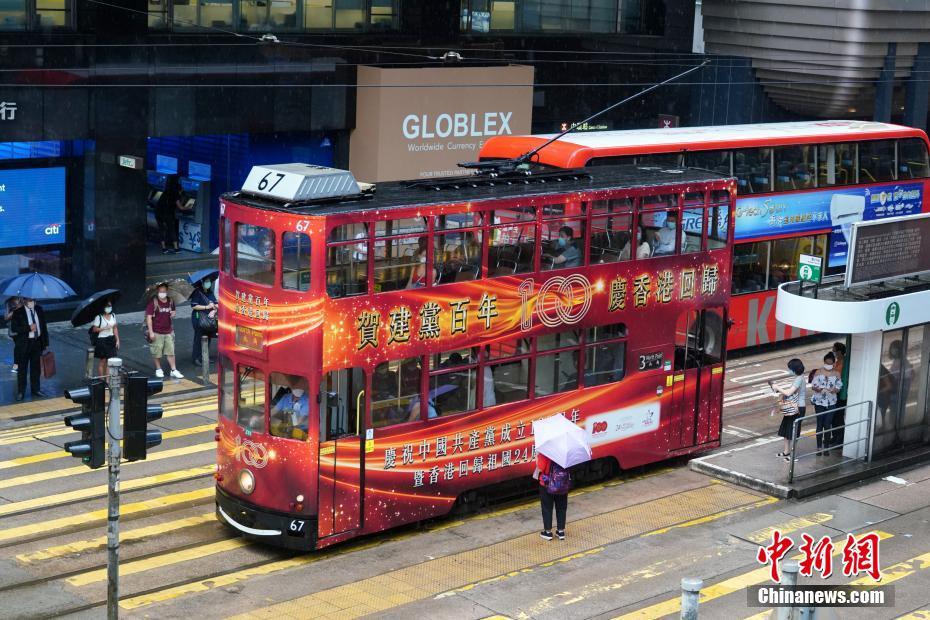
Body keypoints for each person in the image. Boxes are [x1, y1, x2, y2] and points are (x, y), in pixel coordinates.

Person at [10, 298, 49, 401]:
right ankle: (21, 392)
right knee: (22, 369)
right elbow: (14, 328)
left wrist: (45, 343)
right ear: (24, 300)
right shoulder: (18, 312)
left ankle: (36, 390)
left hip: (37, 343)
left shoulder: (39, 309)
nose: (32, 302)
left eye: (33, 300)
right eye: (30, 300)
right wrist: (28, 328)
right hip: (24, 344)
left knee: (36, 369)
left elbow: (44, 327)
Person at [145, 283, 183, 379]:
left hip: (168, 331)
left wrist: (173, 313)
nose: (162, 293)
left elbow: (173, 312)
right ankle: (158, 369)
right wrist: (151, 332)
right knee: (156, 352)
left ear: (167, 291)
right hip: (156, 331)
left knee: (171, 352)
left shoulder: (170, 301)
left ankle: (173, 370)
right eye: (161, 291)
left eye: (164, 291)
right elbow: (148, 318)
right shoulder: (153, 302)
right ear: (158, 292)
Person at [770, 358, 805, 462]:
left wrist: (777, 387)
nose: (789, 370)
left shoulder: (799, 379)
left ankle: (793, 455)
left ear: (794, 369)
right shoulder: (798, 378)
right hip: (792, 408)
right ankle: (786, 452)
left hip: (797, 408)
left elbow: (789, 393)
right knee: (786, 430)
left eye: (790, 369)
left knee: (793, 432)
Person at [810, 352, 843, 455]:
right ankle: (819, 448)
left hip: (831, 402)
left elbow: (839, 387)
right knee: (819, 424)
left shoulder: (837, 373)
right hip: (819, 402)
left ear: (833, 363)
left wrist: (834, 390)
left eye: (830, 363)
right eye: (826, 363)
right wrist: (818, 388)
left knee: (827, 424)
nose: (828, 365)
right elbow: (813, 386)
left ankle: (826, 448)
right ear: (824, 362)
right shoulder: (818, 372)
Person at [534, 452, 569, 541]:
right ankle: (561, 531)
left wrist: (537, 458)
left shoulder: (546, 452)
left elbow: (541, 467)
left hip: (547, 484)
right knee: (561, 507)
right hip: (562, 483)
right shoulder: (565, 451)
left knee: (547, 508)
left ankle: (548, 532)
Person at [190, 277, 218, 367]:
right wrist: (207, 307)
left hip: (209, 319)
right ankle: (196, 358)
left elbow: (216, 303)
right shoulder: (197, 292)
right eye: (206, 281)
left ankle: (205, 357)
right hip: (198, 318)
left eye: (209, 281)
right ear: (202, 282)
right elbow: (194, 306)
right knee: (198, 338)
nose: (208, 283)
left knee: (208, 337)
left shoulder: (210, 292)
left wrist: (214, 310)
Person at [91, 299, 120, 377]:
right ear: (103, 307)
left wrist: (117, 340)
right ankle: (102, 380)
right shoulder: (99, 317)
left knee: (110, 362)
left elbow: (115, 328)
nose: (109, 308)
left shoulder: (113, 315)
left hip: (111, 339)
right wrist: (104, 328)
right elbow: (94, 329)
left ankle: (107, 380)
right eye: (107, 306)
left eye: (110, 306)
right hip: (102, 340)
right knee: (103, 361)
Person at [156, 174, 182, 254]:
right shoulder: (176, 193)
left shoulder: (166, 191)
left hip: (158, 211)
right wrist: (187, 207)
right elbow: (180, 207)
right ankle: (176, 248)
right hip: (167, 213)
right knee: (172, 229)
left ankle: (164, 249)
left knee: (162, 229)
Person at [4, 295, 22, 373]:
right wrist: (17, 309)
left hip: (26, 327)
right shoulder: (9, 302)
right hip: (15, 330)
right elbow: (6, 317)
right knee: (18, 347)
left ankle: (20, 364)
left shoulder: (24, 299)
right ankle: (16, 365)